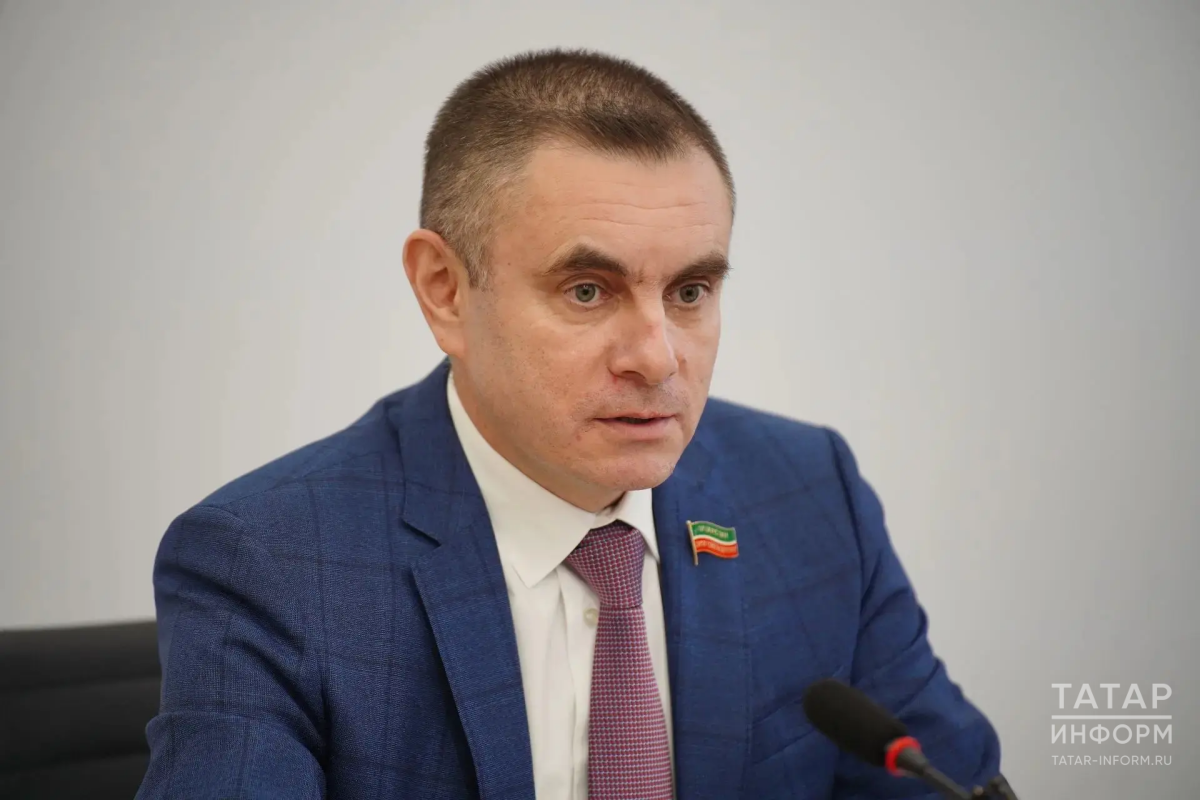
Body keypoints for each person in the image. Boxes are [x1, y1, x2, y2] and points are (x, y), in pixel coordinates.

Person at [136, 48, 1001, 800]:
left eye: (690, 291)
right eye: (588, 291)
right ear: (445, 289)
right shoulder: (271, 563)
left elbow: (945, 783)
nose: (658, 359)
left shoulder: (807, 495)